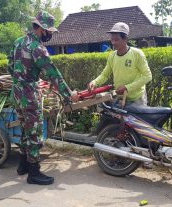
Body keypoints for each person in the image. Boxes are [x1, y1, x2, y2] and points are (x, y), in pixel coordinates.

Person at [9, 11, 78, 185]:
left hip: (16, 94)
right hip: (30, 96)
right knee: (35, 133)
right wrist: (68, 95)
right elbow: (53, 74)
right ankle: (34, 173)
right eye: (50, 32)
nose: (51, 35)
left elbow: (10, 65)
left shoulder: (18, 42)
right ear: (42, 29)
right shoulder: (38, 48)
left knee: (26, 129)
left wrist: (22, 80)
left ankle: (23, 165)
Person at [88, 22, 152, 106]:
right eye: (112, 39)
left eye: (116, 39)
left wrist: (127, 88)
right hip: (120, 98)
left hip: (137, 99)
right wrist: (94, 82)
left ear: (125, 39)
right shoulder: (112, 56)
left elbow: (147, 76)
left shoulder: (137, 54)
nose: (113, 42)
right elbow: (105, 75)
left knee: (138, 120)